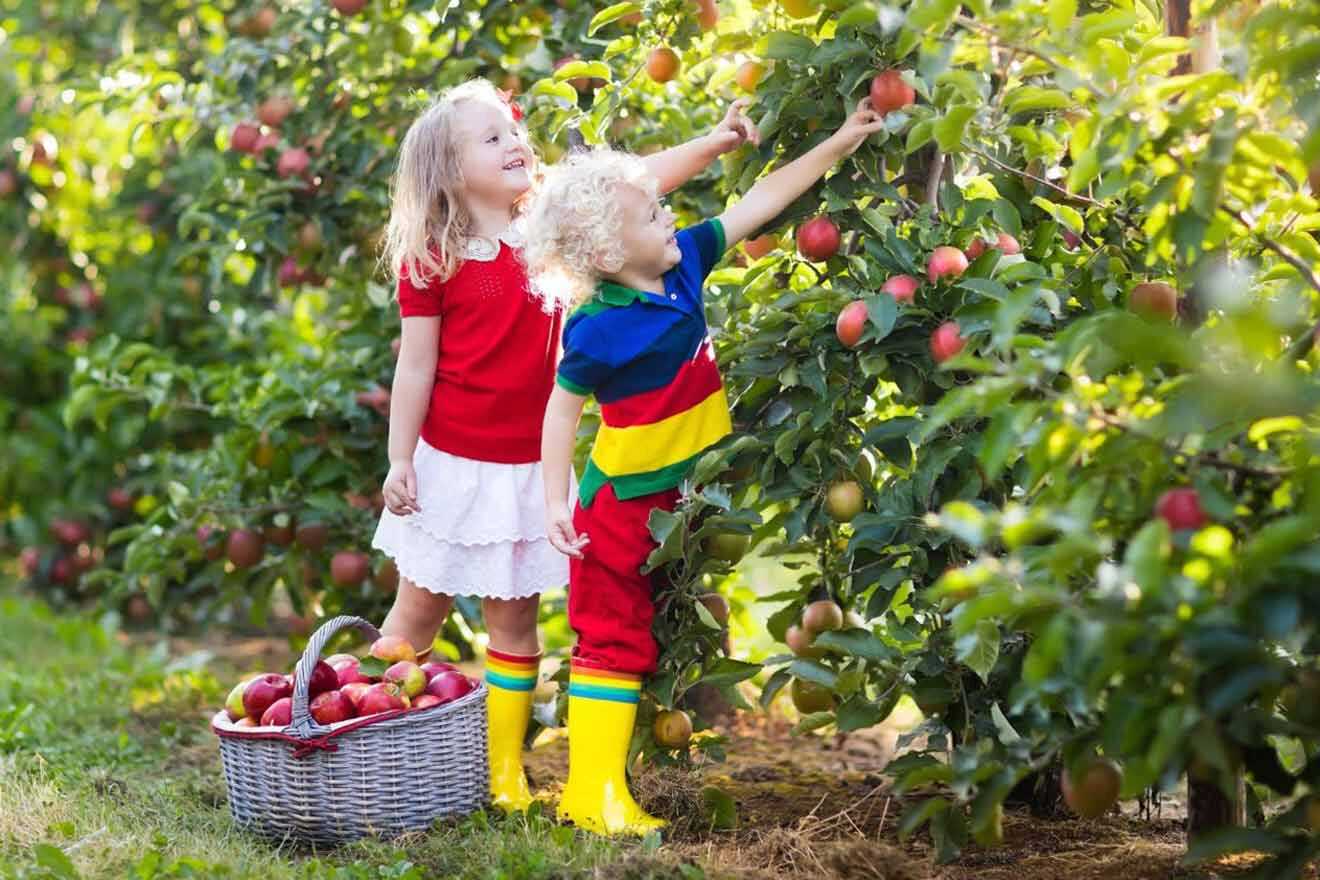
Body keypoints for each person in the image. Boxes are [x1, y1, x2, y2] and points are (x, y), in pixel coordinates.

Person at [370, 77, 758, 813]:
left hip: (527, 467)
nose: (516, 142)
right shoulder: (434, 254)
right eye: (491, 138)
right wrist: (400, 459)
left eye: (513, 130)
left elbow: (637, 186)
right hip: (451, 463)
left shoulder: (546, 222)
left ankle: (501, 769)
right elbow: (414, 363)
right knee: (417, 610)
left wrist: (715, 142)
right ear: (450, 171)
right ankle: (370, 735)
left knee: (514, 624)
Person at [525, 100, 886, 835]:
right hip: (619, 504)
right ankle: (590, 794)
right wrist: (556, 504)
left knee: (644, 635)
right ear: (604, 255)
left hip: (676, 500)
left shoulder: (685, 261)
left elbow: (762, 199)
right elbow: (561, 412)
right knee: (611, 638)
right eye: (651, 214)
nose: (669, 217)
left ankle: (604, 787)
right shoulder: (597, 327)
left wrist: (841, 138)